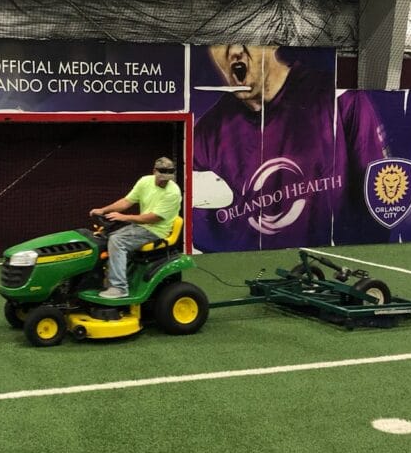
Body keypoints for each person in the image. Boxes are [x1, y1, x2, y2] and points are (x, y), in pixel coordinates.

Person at [192, 44, 388, 252]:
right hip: (252, 267)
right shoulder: (206, 133)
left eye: (245, 42)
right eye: (222, 45)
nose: (234, 51)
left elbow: (376, 194)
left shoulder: (338, 99)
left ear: (272, 43)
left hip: (329, 263)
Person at [89, 156, 182, 299]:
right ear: (154, 171)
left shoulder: (173, 193)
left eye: (167, 178)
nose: (164, 180)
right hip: (141, 225)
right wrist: (103, 210)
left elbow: (153, 218)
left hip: (156, 230)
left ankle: (119, 288)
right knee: (102, 235)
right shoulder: (145, 181)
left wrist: (124, 217)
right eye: (162, 177)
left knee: (117, 240)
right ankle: (100, 279)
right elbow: (126, 201)